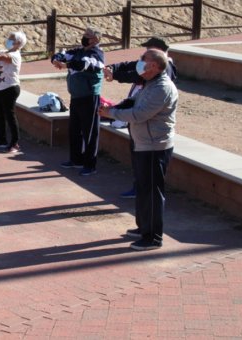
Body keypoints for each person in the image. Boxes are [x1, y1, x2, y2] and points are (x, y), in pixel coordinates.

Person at [98, 49, 178, 251]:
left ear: (154, 66)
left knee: (152, 192)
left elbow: (140, 114)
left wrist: (112, 113)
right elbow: (135, 101)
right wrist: (116, 106)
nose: (140, 62)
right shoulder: (149, 82)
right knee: (143, 189)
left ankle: (153, 237)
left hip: (154, 146)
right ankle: (144, 227)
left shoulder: (162, 87)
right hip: (143, 143)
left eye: (144, 60)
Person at [104, 36, 177, 199]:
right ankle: (139, 190)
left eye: (147, 52)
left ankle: (141, 191)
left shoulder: (163, 74)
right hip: (143, 133)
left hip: (153, 138)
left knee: (151, 191)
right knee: (141, 169)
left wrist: (112, 112)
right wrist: (112, 68)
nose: (142, 57)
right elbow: (129, 66)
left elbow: (140, 110)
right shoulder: (151, 72)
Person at [53, 27, 105, 175]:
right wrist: (57, 60)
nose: (84, 37)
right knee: (74, 130)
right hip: (75, 96)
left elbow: (85, 64)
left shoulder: (97, 54)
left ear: (95, 40)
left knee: (90, 132)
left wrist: (67, 65)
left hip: (89, 97)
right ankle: (76, 159)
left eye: (87, 36)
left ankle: (90, 165)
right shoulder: (78, 51)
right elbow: (61, 55)